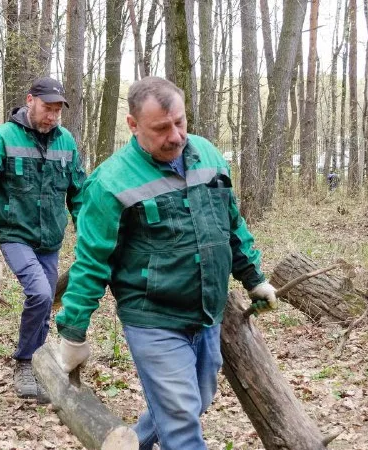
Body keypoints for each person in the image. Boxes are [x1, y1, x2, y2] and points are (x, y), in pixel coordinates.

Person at [54, 76, 277, 449]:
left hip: (207, 313)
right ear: (133, 125)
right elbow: (92, 262)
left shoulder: (208, 155)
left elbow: (232, 224)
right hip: (152, 318)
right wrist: (73, 331)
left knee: (197, 400)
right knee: (180, 420)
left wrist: (253, 277)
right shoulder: (110, 182)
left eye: (180, 122)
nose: (175, 136)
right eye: (161, 128)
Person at [0, 77, 85, 400]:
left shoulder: (66, 142)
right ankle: (24, 362)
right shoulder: (1, 138)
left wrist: (87, 234)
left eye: (57, 111)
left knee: (46, 299)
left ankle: (40, 366)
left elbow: (80, 194)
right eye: (47, 108)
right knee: (41, 294)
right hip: (14, 233)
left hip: (51, 238)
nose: (52, 116)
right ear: (30, 101)